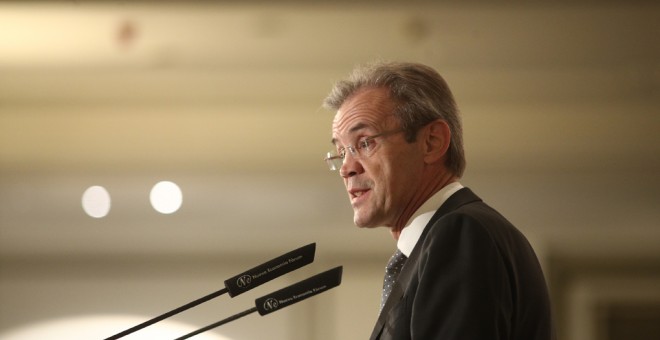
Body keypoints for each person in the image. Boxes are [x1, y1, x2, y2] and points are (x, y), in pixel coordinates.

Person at [322, 61, 555, 340]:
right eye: (340, 152)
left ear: (431, 142)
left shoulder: (460, 234)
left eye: (364, 143)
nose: (347, 168)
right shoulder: (446, 240)